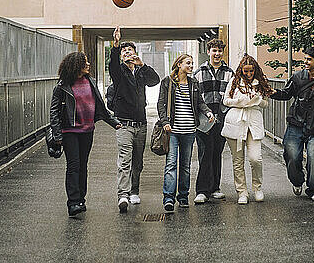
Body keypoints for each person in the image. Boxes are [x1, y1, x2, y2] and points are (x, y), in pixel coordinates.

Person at [49, 51, 121, 216]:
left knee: (83, 165)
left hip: (87, 130)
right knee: (73, 165)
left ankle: (81, 199)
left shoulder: (91, 82)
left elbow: (100, 107)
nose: (88, 64)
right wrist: (58, 135)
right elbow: (54, 111)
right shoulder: (63, 86)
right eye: (85, 62)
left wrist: (114, 123)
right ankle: (73, 202)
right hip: (70, 131)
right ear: (76, 65)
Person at [270, 46, 314, 201]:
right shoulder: (297, 77)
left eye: (309, 59)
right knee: (291, 156)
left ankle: (313, 189)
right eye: (305, 58)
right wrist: (272, 93)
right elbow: (286, 94)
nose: (305, 62)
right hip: (296, 123)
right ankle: (297, 181)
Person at [109, 26, 160, 213]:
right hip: (123, 124)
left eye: (129, 50)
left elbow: (155, 80)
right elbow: (113, 64)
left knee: (137, 161)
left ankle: (134, 191)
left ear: (135, 54)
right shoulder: (119, 72)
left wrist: (142, 65)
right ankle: (122, 195)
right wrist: (116, 45)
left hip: (141, 124)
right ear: (121, 56)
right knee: (124, 160)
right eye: (124, 51)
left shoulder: (140, 72)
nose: (127, 52)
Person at [157, 54, 214, 211]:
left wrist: (208, 112)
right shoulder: (168, 82)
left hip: (189, 130)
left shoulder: (193, 82)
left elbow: (200, 103)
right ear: (179, 64)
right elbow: (161, 104)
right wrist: (165, 122)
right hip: (173, 131)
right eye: (188, 63)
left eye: (192, 63)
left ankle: (183, 197)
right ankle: (168, 198)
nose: (191, 66)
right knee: (171, 164)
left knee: (185, 166)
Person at [222, 55, 273, 204]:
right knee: (237, 161)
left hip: (253, 123)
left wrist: (257, 99)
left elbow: (265, 104)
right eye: (246, 71)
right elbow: (226, 101)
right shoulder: (234, 82)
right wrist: (239, 101)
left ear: (255, 70)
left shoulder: (261, 83)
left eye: (251, 71)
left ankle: (257, 188)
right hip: (236, 122)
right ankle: (242, 192)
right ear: (241, 70)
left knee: (255, 158)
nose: (249, 74)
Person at [193, 39, 234, 204]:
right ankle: (202, 190)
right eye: (214, 51)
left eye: (219, 51)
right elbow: (195, 98)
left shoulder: (230, 73)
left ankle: (215, 188)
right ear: (208, 52)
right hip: (204, 121)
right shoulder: (198, 73)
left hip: (221, 119)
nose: (217, 54)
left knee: (217, 153)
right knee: (204, 154)